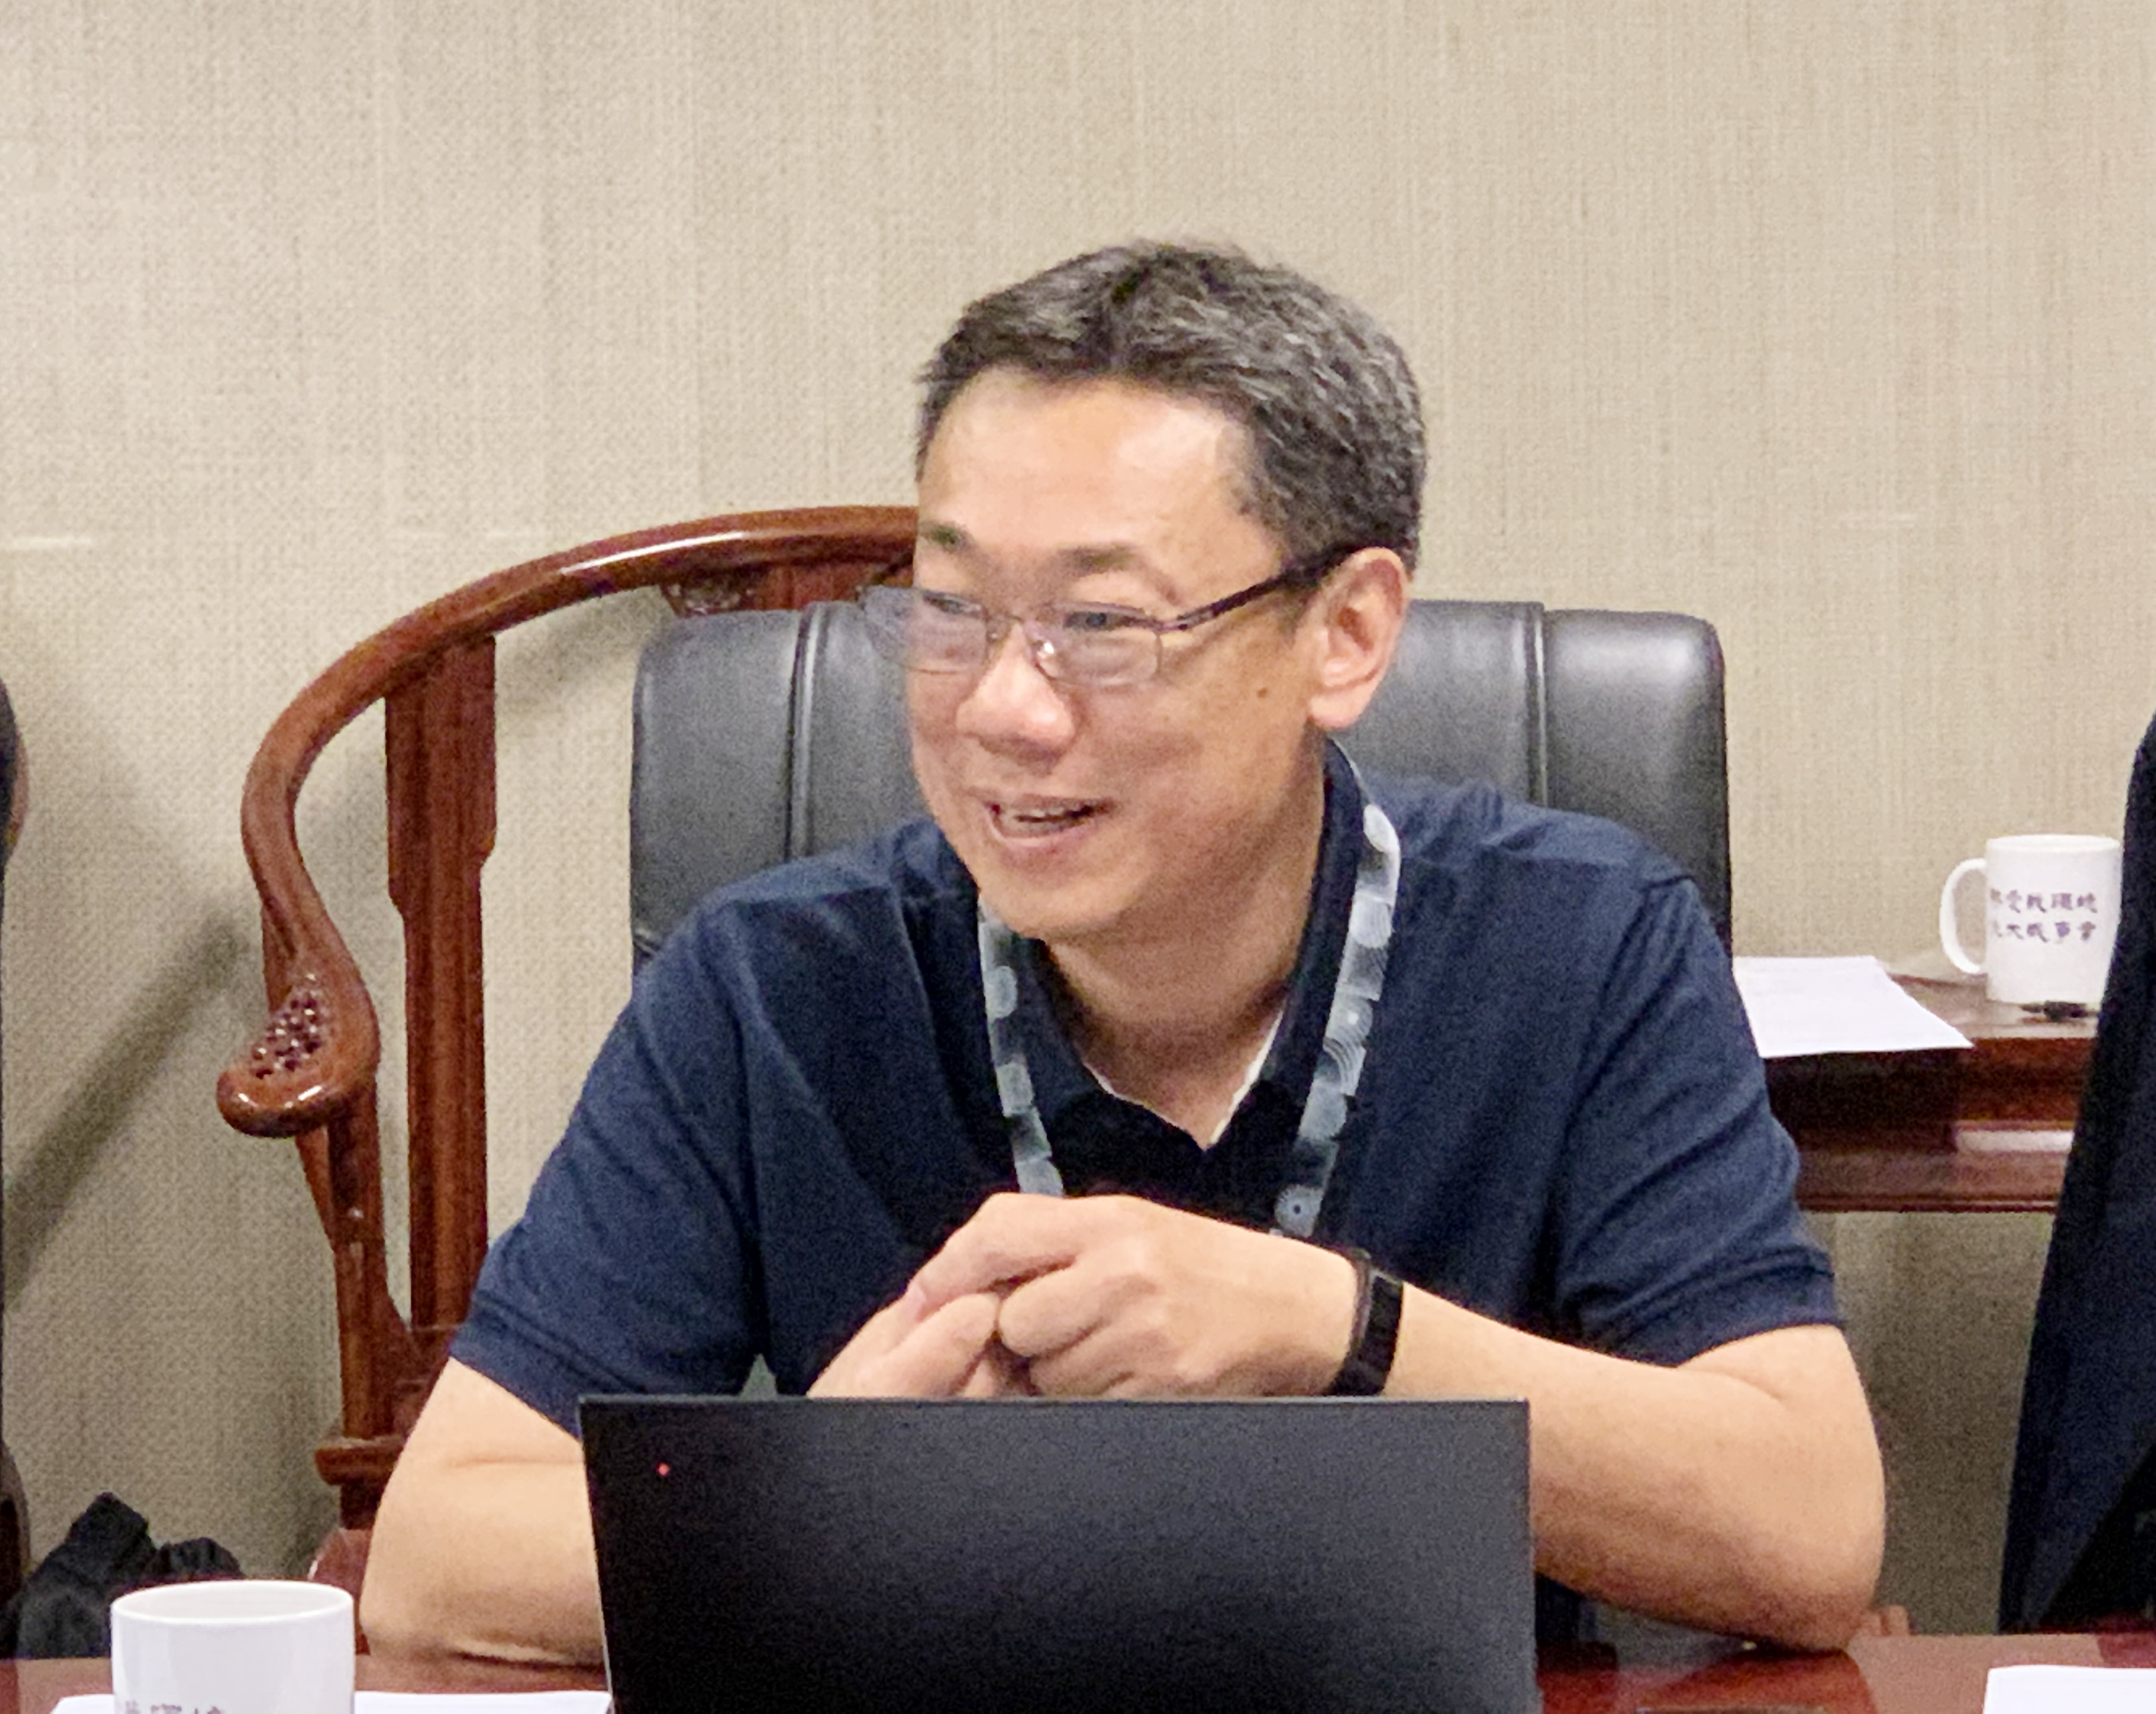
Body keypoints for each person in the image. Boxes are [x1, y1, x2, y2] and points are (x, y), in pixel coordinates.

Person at [359, 241, 1885, 1661]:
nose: (1002, 710)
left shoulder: (1581, 944)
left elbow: (1811, 1530)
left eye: (1101, 624)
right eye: (951, 610)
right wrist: (822, 1490)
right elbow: (436, 1555)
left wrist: (1330, 1333)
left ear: (1346, 634)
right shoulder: (772, 986)